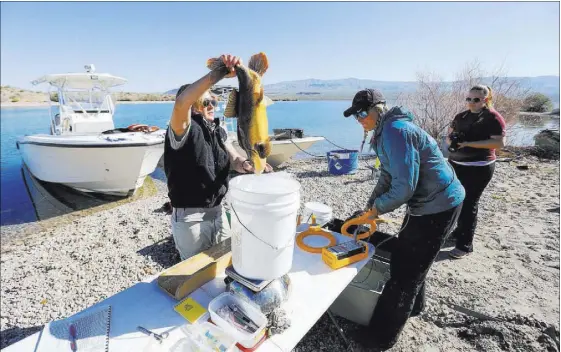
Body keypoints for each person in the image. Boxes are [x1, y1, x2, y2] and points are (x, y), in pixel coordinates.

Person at [343, 89, 465, 350]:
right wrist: (370, 206)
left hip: (439, 205)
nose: (360, 119)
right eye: (356, 115)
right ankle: (415, 308)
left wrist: (377, 211)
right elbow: (387, 176)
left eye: (364, 112)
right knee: (414, 260)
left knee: (404, 274)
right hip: (429, 202)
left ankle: (380, 339)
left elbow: (404, 188)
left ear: (379, 107)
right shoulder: (384, 133)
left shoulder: (395, 132)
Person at [164, 54, 272, 261]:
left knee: (224, 266)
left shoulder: (217, 129)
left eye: (213, 100)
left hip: (219, 213)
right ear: (193, 106)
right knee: (195, 274)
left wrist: (244, 164)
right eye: (205, 102)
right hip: (191, 220)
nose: (212, 105)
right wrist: (220, 73)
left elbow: (232, 157)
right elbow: (181, 103)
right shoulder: (182, 129)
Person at [446, 85, 506, 259]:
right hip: (456, 164)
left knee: (469, 204)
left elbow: (499, 143)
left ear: (485, 100)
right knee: (455, 201)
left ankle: (464, 245)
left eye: (476, 99)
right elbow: (450, 135)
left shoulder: (493, 118)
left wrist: (468, 144)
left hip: (479, 167)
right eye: (469, 99)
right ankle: (457, 233)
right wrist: (453, 141)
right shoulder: (461, 116)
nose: (471, 102)